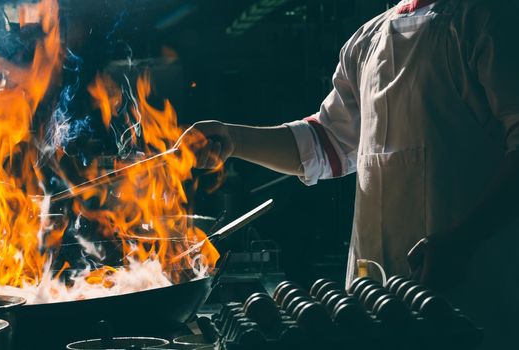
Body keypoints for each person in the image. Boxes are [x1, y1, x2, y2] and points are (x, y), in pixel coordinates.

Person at [180, 0, 519, 347]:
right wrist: (233, 139)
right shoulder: (366, 40)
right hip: (374, 303)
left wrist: (465, 240)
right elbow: (328, 142)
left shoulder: (488, 19)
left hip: (471, 295)